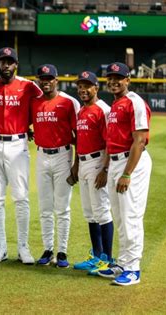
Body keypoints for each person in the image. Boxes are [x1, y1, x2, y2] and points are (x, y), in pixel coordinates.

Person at [0, 47, 43, 264]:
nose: (6, 65)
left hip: (18, 143)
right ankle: (0, 246)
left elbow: (43, 103)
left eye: (10, 62)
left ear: (16, 64)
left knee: (21, 198)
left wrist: (30, 126)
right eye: (3, 62)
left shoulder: (28, 86)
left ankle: (23, 247)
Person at [97, 62, 152, 286]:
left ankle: (133, 268)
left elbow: (139, 139)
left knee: (131, 216)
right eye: (110, 77)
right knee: (119, 217)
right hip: (117, 163)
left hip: (132, 163)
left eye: (118, 77)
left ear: (127, 80)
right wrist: (109, 169)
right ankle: (122, 262)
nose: (113, 81)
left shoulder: (134, 102)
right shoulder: (116, 105)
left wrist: (127, 173)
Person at [31, 64, 80, 268]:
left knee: (62, 208)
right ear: (39, 81)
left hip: (62, 156)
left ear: (56, 80)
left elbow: (79, 136)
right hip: (42, 155)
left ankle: (62, 251)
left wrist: (76, 165)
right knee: (44, 207)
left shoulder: (69, 103)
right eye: (43, 78)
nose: (46, 81)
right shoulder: (34, 103)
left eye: (50, 78)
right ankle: (48, 248)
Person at [70, 71, 114, 273]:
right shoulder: (81, 111)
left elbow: (109, 143)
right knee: (90, 213)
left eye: (87, 86)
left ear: (96, 88)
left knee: (102, 212)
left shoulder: (103, 110)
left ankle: (108, 259)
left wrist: (105, 169)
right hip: (85, 163)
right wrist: (76, 165)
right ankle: (96, 255)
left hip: (98, 161)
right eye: (80, 86)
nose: (83, 90)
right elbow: (79, 142)